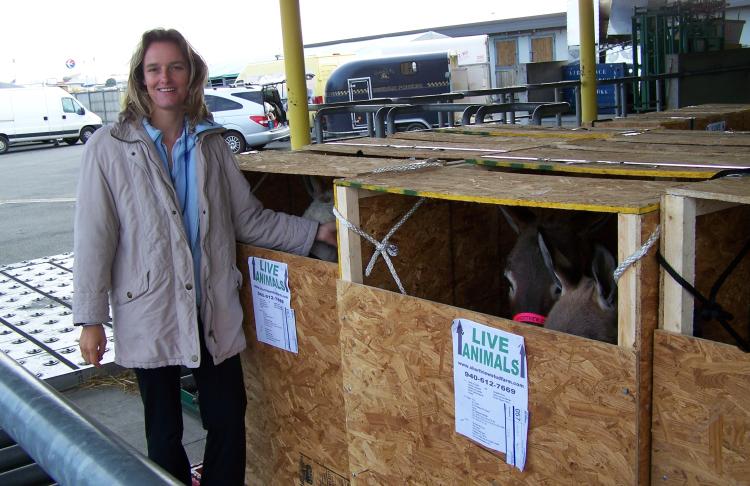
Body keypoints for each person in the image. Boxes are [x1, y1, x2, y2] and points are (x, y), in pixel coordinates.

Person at [73, 28, 336, 485]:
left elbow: (247, 220)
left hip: (211, 304)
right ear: (140, 77)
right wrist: (90, 319)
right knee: (164, 431)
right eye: (154, 68)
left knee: (229, 418)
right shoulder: (109, 147)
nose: (165, 78)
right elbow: (95, 237)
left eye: (175, 66)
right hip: (150, 307)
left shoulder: (211, 144)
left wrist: (315, 230)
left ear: (191, 74)